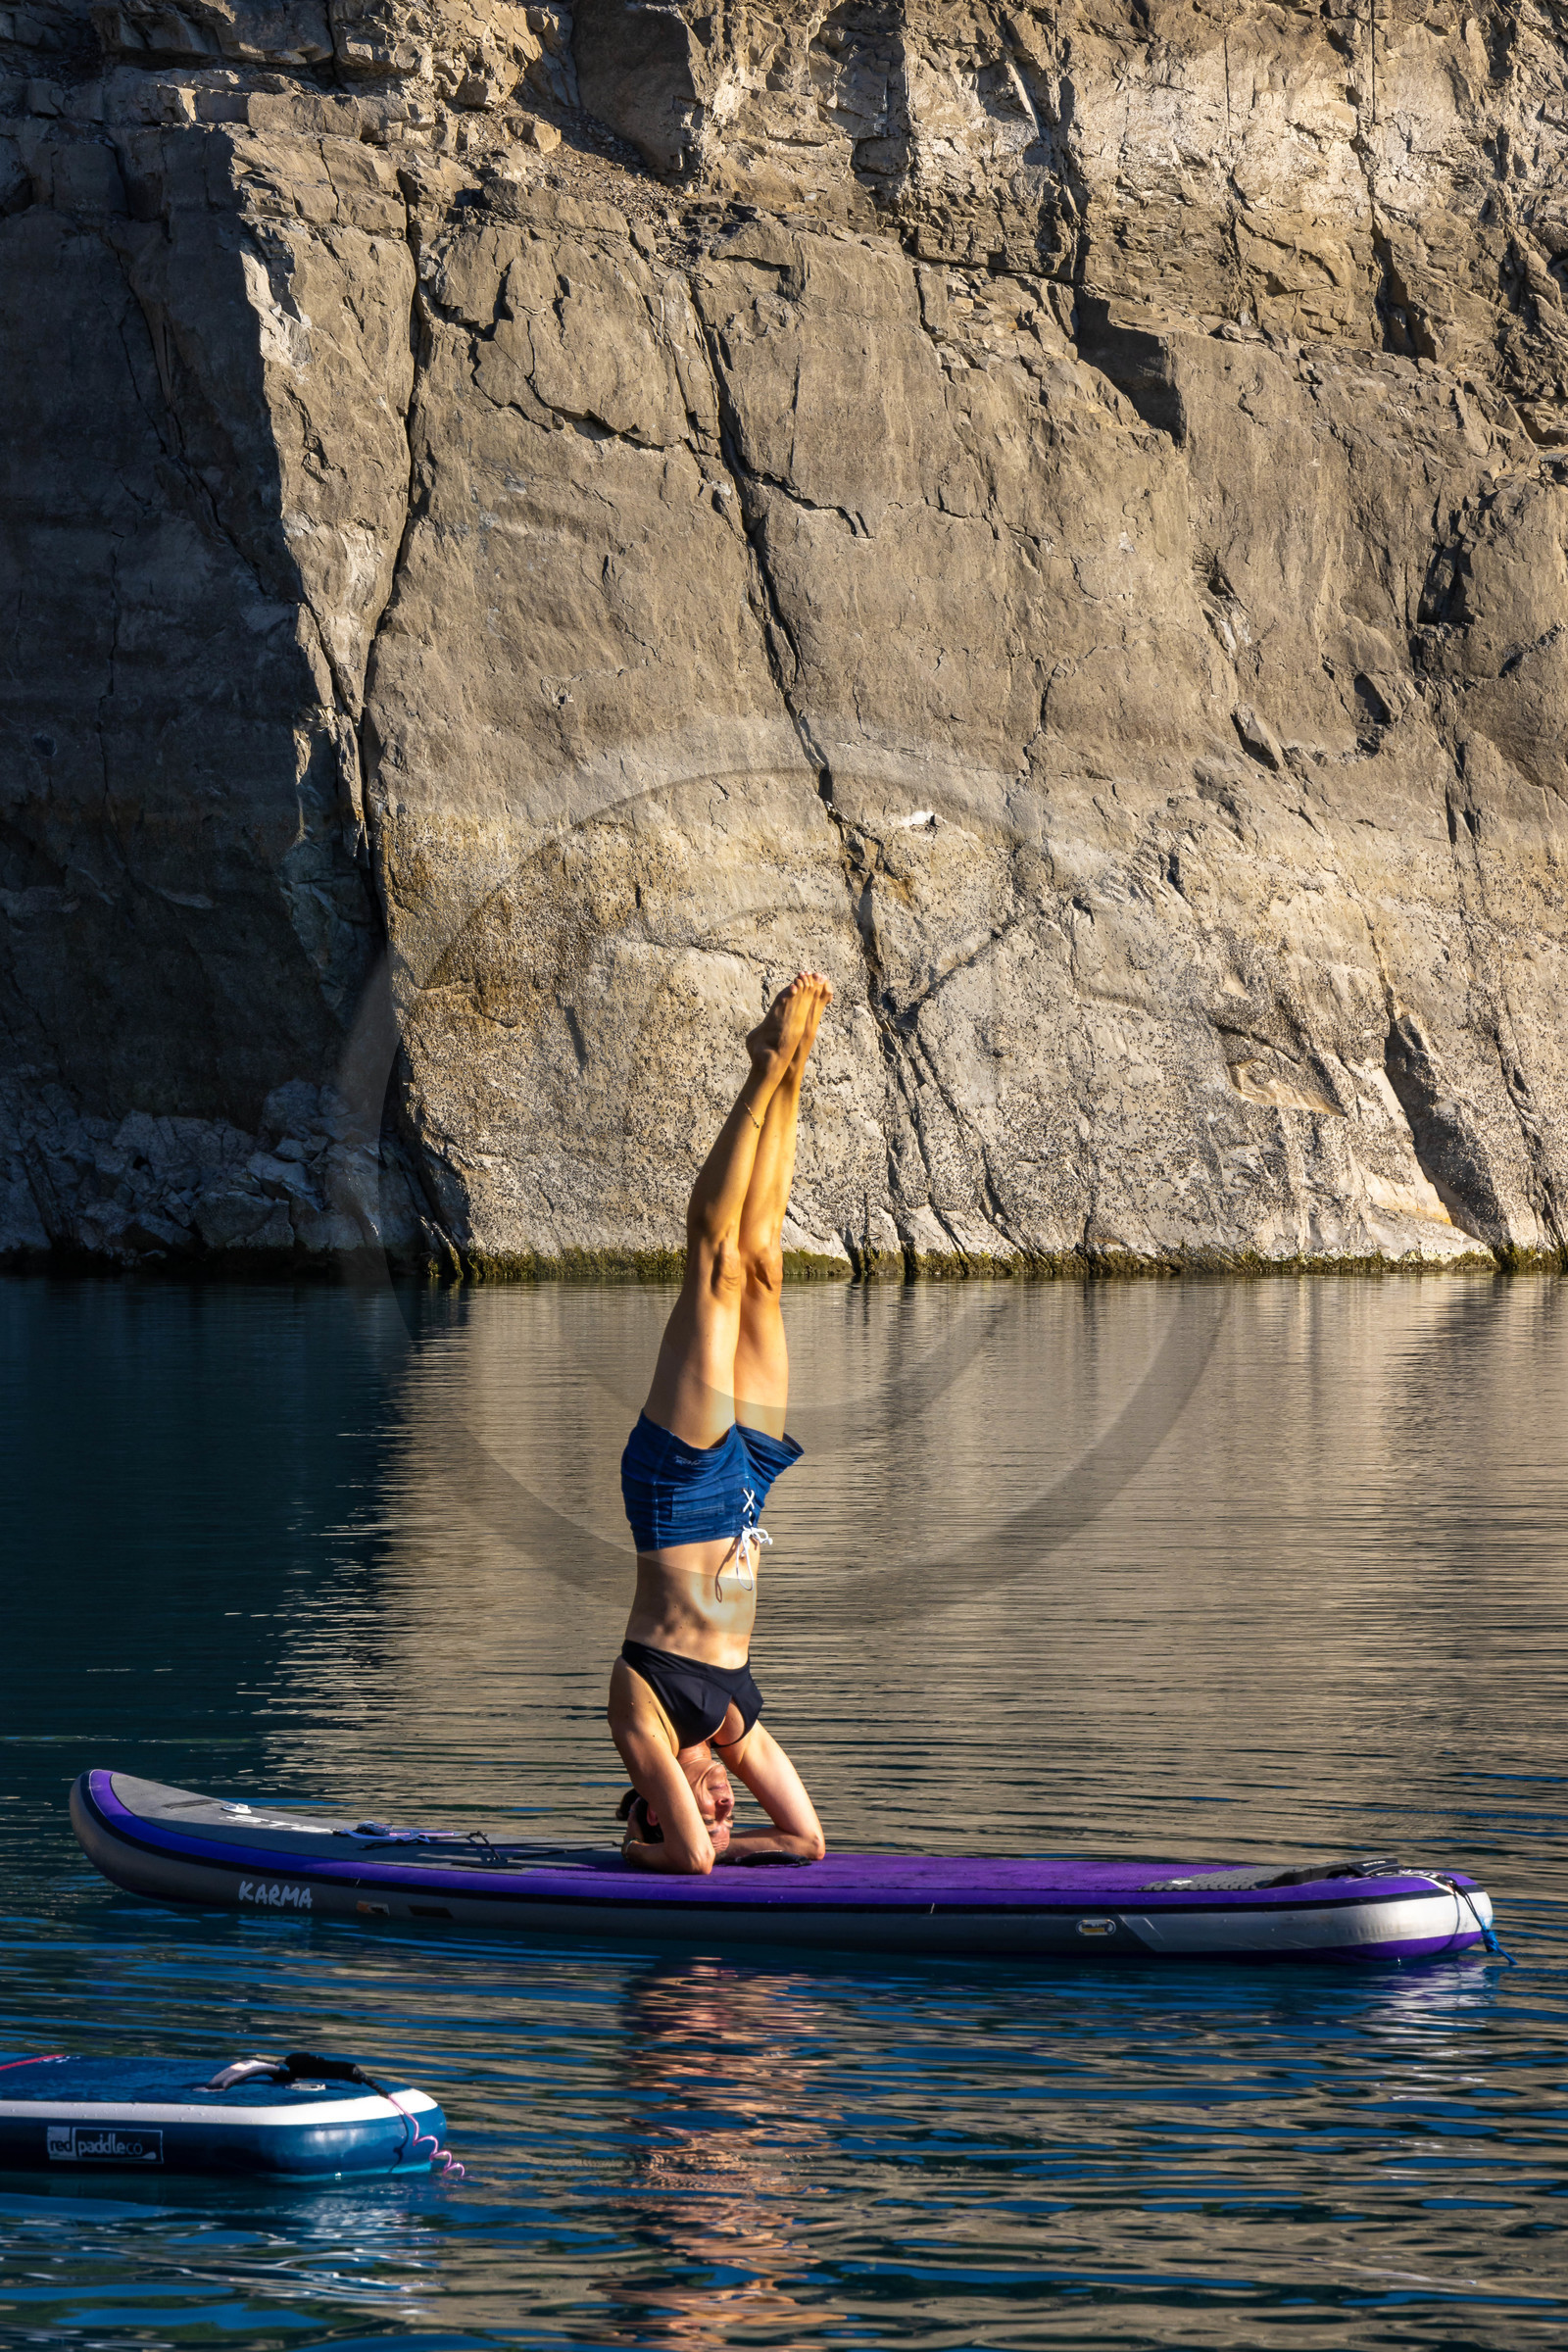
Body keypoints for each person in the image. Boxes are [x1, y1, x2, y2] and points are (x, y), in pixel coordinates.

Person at [608, 971, 833, 1874]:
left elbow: (690, 1862)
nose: (724, 1811)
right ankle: (797, 1072)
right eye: (728, 1816)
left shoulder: (640, 1717)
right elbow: (809, 1844)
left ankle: (763, 1067)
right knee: (767, 1267)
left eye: (707, 1811)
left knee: (713, 1267)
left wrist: (643, 1852)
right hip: (743, 1500)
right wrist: (743, 1852)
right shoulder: (736, 1728)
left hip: (676, 1495)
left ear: (655, 1815)